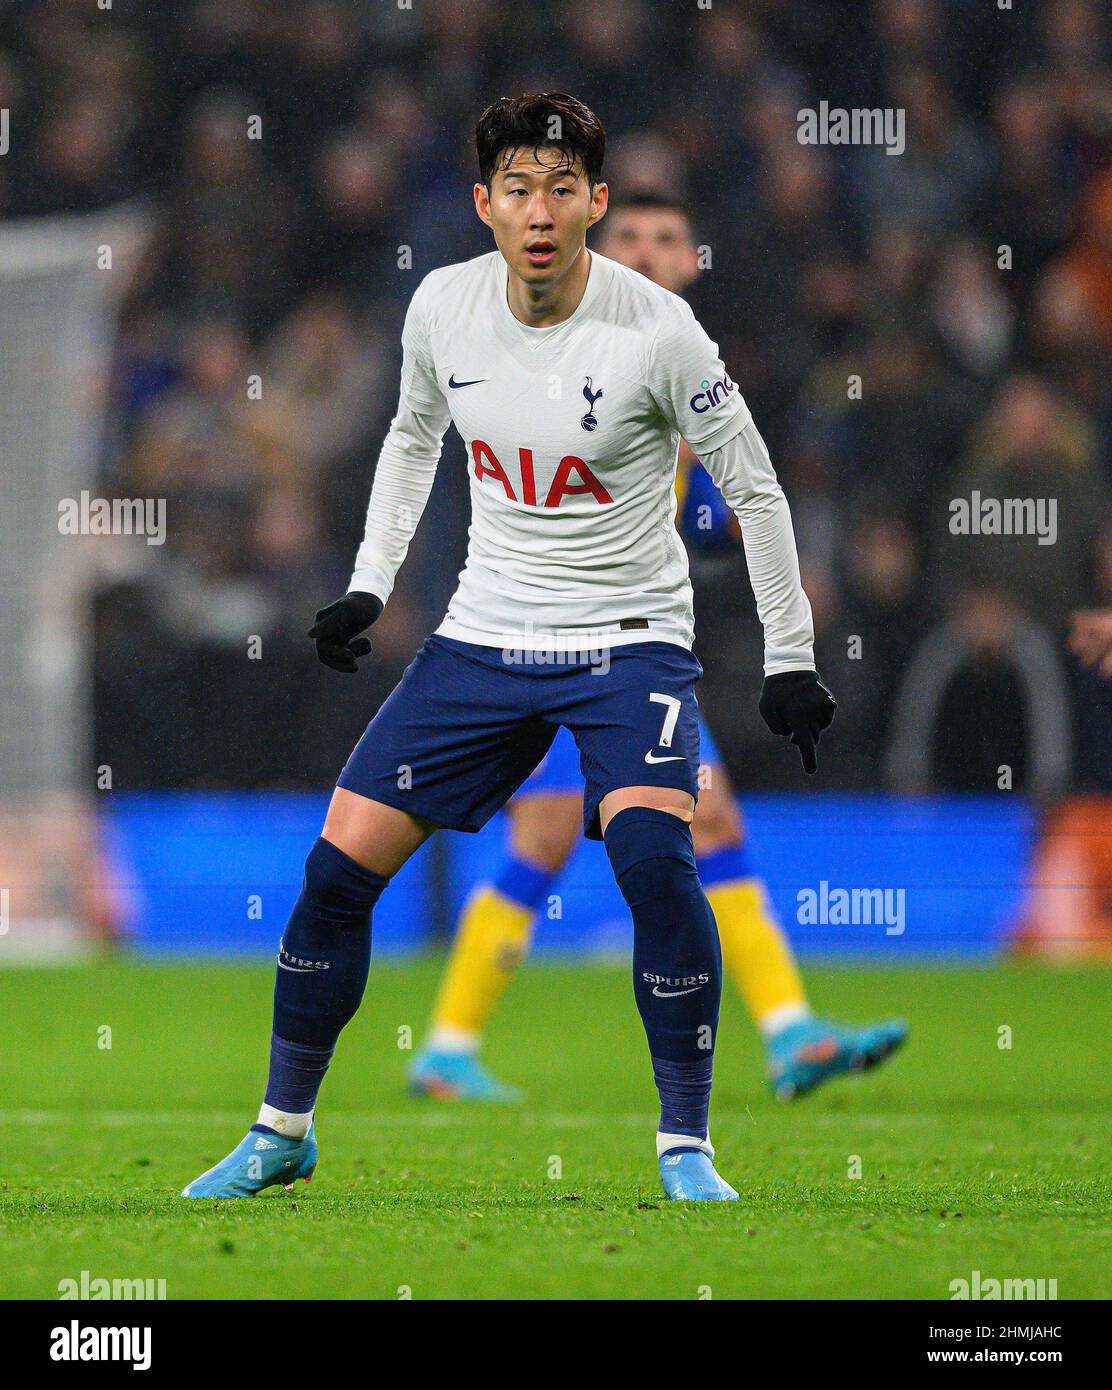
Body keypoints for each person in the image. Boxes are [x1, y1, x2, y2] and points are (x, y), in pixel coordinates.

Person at [182, 92, 836, 1204]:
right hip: (482, 636)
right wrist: (363, 585)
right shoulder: (441, 306)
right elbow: (408, 439)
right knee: (335, 873)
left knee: (653, 864)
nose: (540, 210)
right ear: (485, 204)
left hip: (629, 643)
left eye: (562, 188)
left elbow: (758, 490)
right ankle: (281, 1129)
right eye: (518, 189)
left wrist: (790, 655)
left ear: (596, 202)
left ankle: (686, 1149)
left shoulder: (659, 332)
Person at [408, 192, 907, 1104]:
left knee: (690, 820)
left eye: (666, 237)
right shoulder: (561, 340)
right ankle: (447, 1045)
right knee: (563, 825)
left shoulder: (674, 359)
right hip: (552, 638)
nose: (644, 249)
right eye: (628, 234)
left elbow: (707, 509)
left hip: (621, 650)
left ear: (691, 260)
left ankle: (789, 1031)